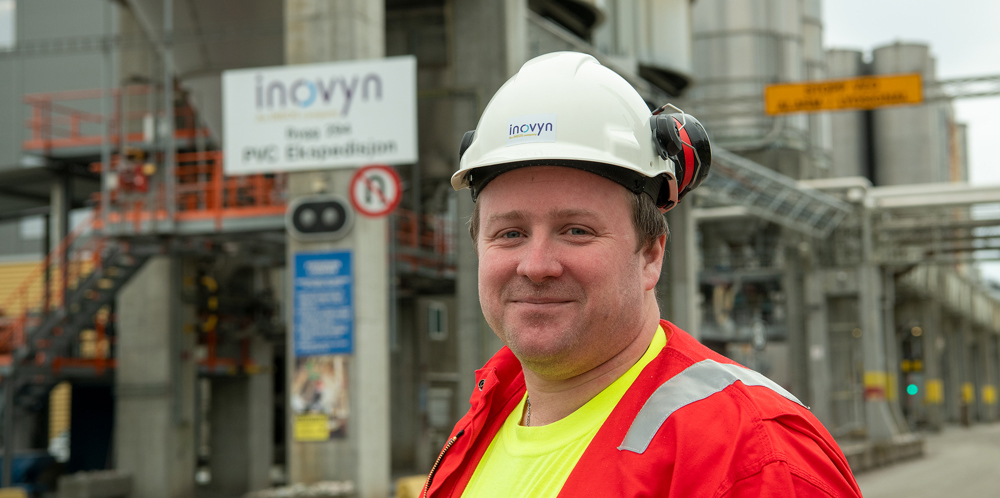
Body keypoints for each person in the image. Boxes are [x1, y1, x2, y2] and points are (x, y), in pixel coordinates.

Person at [422, 52, 861, 497]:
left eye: (576, 230)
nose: (536, 265)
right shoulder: (488, 415)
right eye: (510, 233)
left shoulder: (752, 457)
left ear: (650, 255)